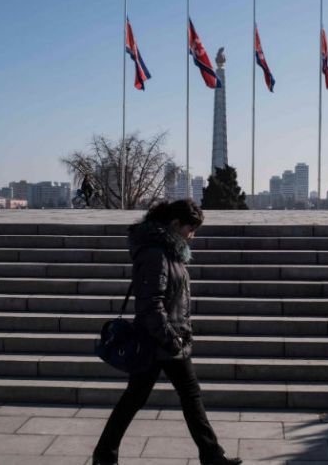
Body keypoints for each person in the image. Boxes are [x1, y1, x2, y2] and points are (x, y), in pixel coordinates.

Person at [93, 199, 242, 465]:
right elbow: (151, 304)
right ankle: (210, 456)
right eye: (190, 228)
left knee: (168, 397)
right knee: (153, 398)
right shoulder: (156, 254)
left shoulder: (168, 252)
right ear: (175, 224)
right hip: (158, 342)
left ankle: (211, 456)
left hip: (169, 339)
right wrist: (172, 340)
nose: (192, 235)